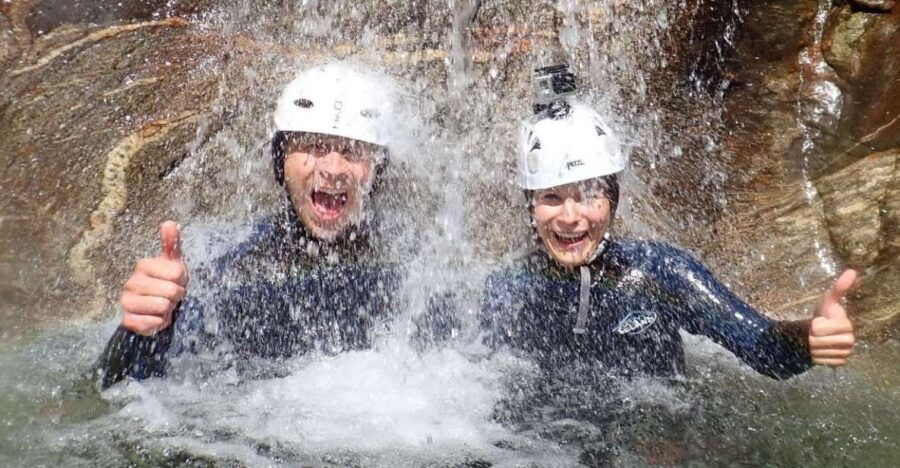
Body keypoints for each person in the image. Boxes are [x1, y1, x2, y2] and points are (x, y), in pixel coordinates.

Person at [479, 69, 856, 380]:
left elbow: (768, 351)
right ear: (531, 207)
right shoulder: (508, 291)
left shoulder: (662, 274)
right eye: (551, 197)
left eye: (590, 195)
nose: (570, 216)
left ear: (612, 201)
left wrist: (809, 338)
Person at [95, 62, 417, 388]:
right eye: (313, 146)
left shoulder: (414, 273)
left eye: (352, 151)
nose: (333, 169)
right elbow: (115, 392)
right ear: (281, 161)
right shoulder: (230, 269)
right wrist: (141, 331)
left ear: (378, 169)